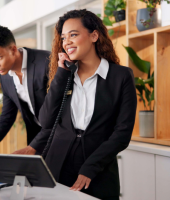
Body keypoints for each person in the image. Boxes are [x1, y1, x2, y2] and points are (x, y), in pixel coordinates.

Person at [21, 9, 137, 200]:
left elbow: (122, 133)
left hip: (98, 168)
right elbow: (46, 120)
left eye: (73, 35)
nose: (67, 42)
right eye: (64, 37)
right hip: (57, 166)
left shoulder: (121, 76)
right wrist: (61, 73)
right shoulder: (64, 76)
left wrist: (91, 167)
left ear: (94, 35)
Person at [0, 25, 50, 157]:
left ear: (13, 49)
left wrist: (33, 147)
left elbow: (61, 112)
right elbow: (7, 117)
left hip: (62, 137)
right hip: (37, 139)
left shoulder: (46, 62)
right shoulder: (5, 76)